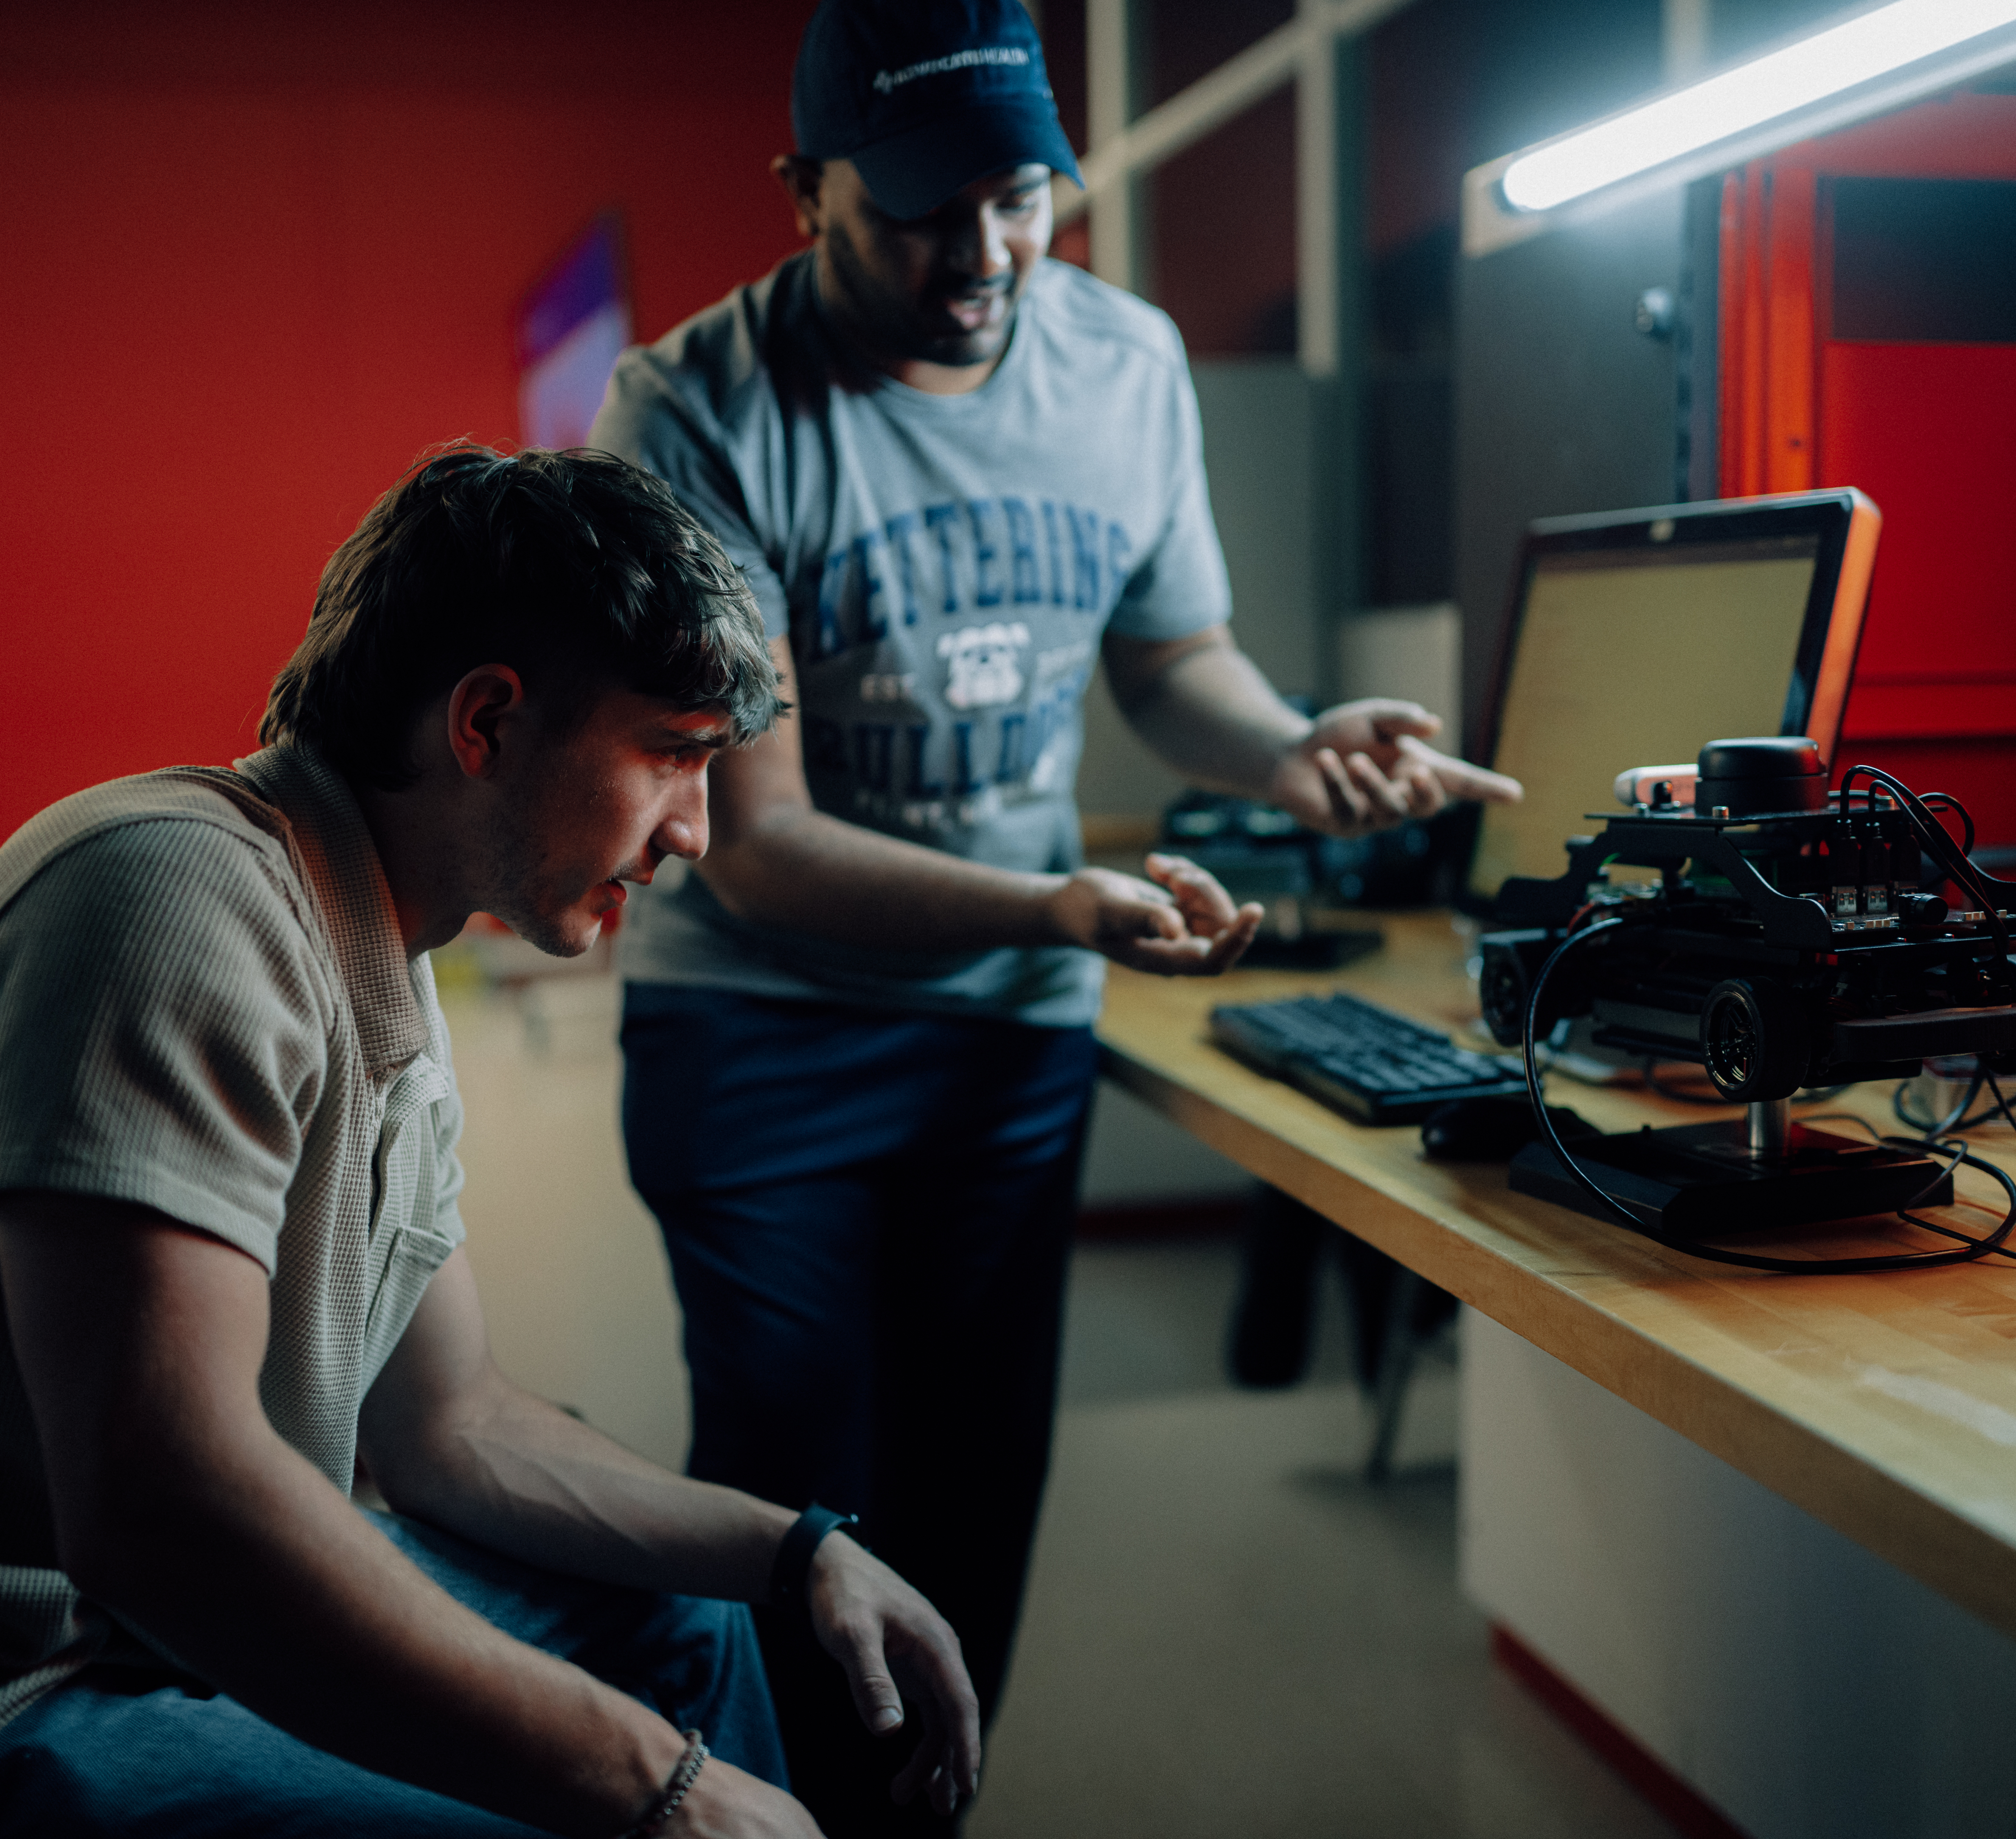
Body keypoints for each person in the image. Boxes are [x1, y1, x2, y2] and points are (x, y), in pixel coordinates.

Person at [0, 448, 981, 1839]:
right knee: (598, 1798)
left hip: (104, 1629)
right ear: (484, 723)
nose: (696, 833)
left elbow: (452, 1426)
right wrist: (661, 1790)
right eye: (672, 754)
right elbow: (157, 1509)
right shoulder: (173, 901)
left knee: (689, 1629)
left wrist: (795, 1550)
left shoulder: (380, 953)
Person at [588, 3, 1522, 1829]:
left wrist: (1294, 747)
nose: (985, 254)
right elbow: (757, 841)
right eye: (922, 213)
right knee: (796, 1505)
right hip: (761, 1032)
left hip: (1004, 1029)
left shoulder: (1124, 362)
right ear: (803, 195)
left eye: (1021, 199)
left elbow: (1173, 661)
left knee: (968, 1496)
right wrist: (1056, 903)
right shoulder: (691, 408)